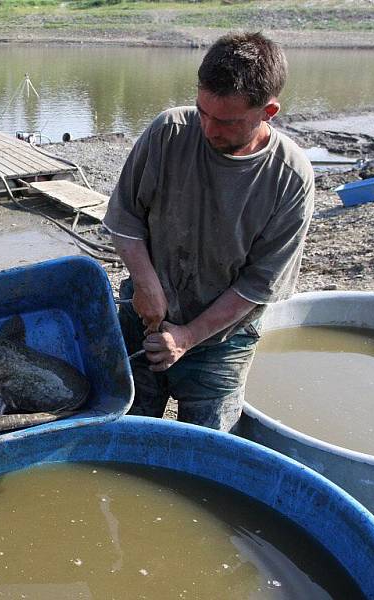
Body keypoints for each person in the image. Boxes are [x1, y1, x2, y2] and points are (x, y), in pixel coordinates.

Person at [104, 32, 314, 432]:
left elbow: (259, 284)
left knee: (208, 453)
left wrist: (186, 337)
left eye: (228, 121)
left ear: (268, 111)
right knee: (121, 435)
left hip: (222, 339)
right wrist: (147, 284)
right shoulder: (169, 131)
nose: (209, 129)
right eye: (203, 111)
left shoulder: (290, 177)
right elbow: (125, 216)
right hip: (143, 316)